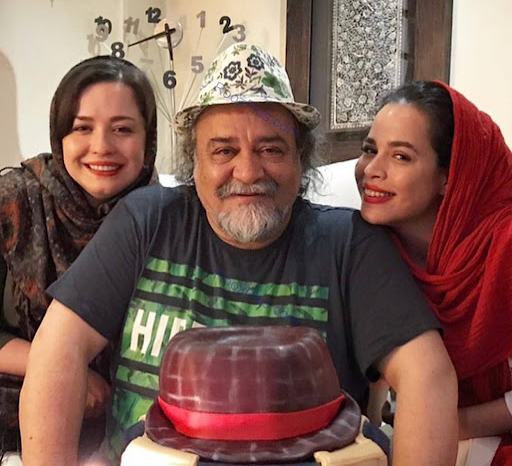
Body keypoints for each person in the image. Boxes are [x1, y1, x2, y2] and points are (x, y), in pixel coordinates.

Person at [20, 44, 457, 466]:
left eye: (271, 149)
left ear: (300, 160)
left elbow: (427, 376)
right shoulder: (145, 221)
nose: (247, 172)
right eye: (224, 151)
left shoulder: (349, 243)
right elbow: (60, 349)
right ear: (195, 164)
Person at [0, 55, 157, 454]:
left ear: (148, 139)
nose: (101, 147)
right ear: (60, 136)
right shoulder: (14, 200)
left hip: (136, 434)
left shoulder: (166, 218)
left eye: (122, 129)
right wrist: (64, 370)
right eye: (82, 128)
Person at [355, 80, 512, 465]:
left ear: (449, 175)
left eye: (401, 156)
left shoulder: (504, 248)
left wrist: (442, 423)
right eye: (370, 149)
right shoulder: (367, 247)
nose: (372, 170)